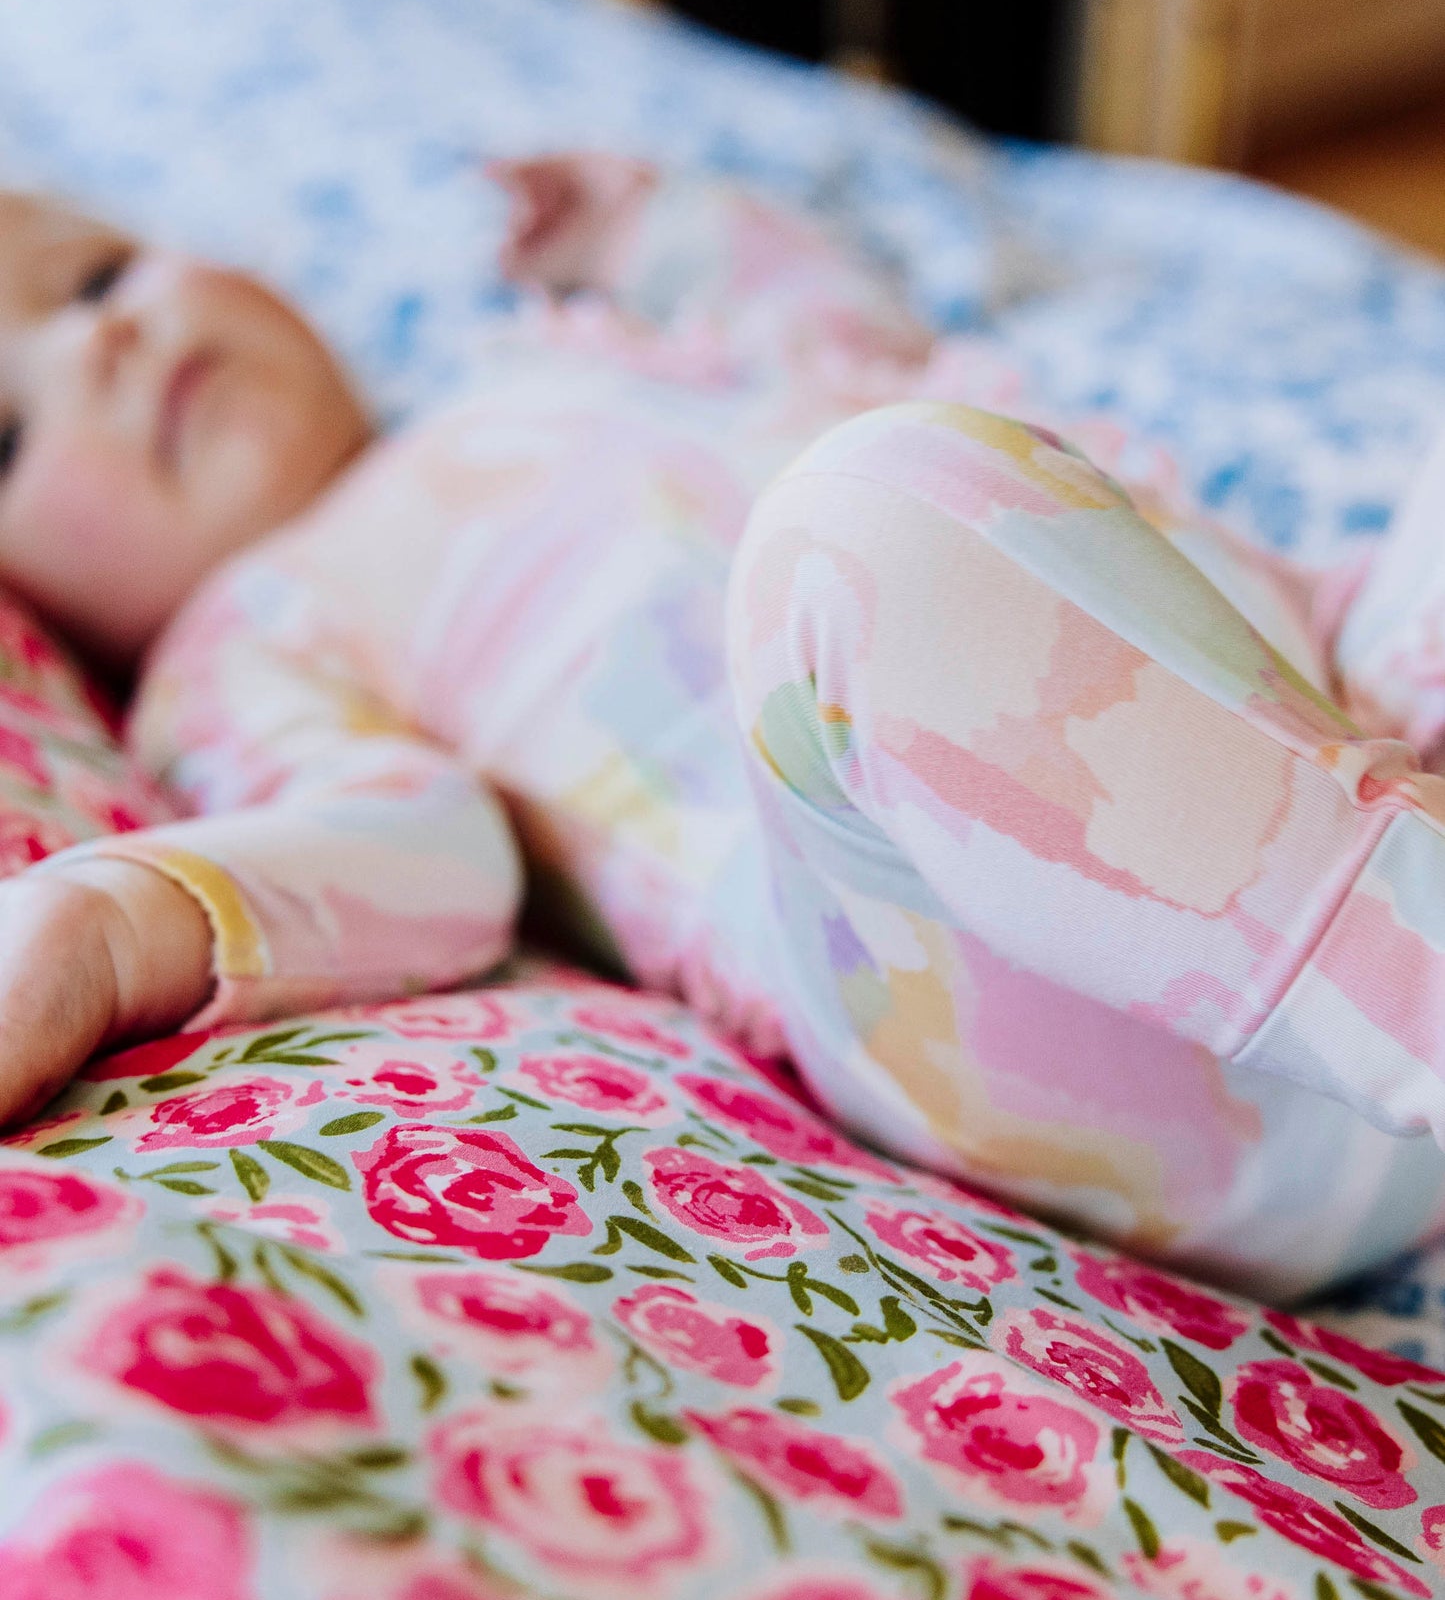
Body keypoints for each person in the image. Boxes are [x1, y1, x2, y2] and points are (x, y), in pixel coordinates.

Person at [0, 155, 1442, 1301]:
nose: (103, 339)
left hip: (1353, 718)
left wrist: (648, 225)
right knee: (871, 523)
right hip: (1102, 1041)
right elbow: (418, 849)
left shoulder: (541, 365)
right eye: (7, 430)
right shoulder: (247, 639)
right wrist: (108, 927)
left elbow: (841, 338)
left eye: (100, 274)